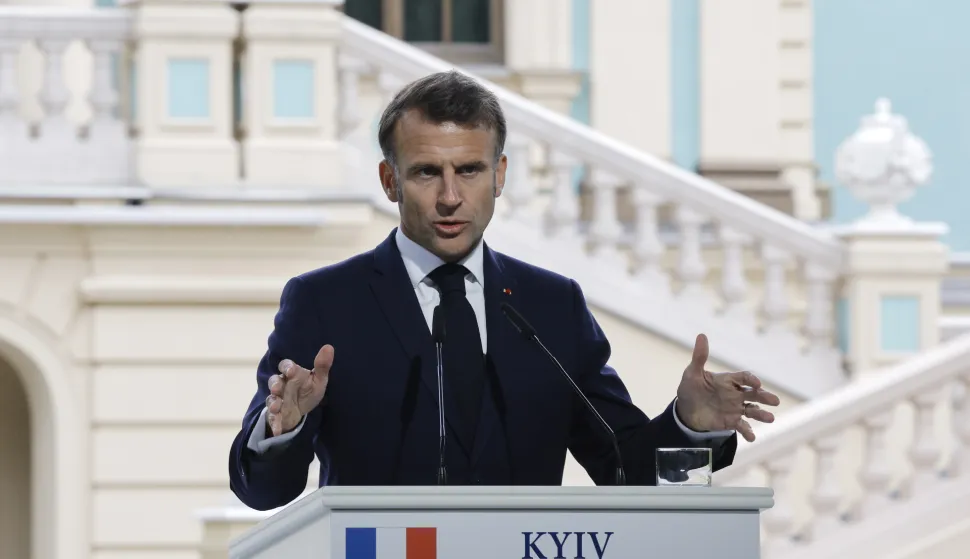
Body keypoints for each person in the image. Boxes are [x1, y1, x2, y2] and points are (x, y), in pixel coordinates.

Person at [228, 70, 779, 511]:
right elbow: (262, 492)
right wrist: (286, 427)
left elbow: (625, 471)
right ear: (389, 181)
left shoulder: (552, 306)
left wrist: (690, 425)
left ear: (500, 176)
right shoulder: (325, 302)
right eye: (426, 173)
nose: (450, 197)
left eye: (469, 170)